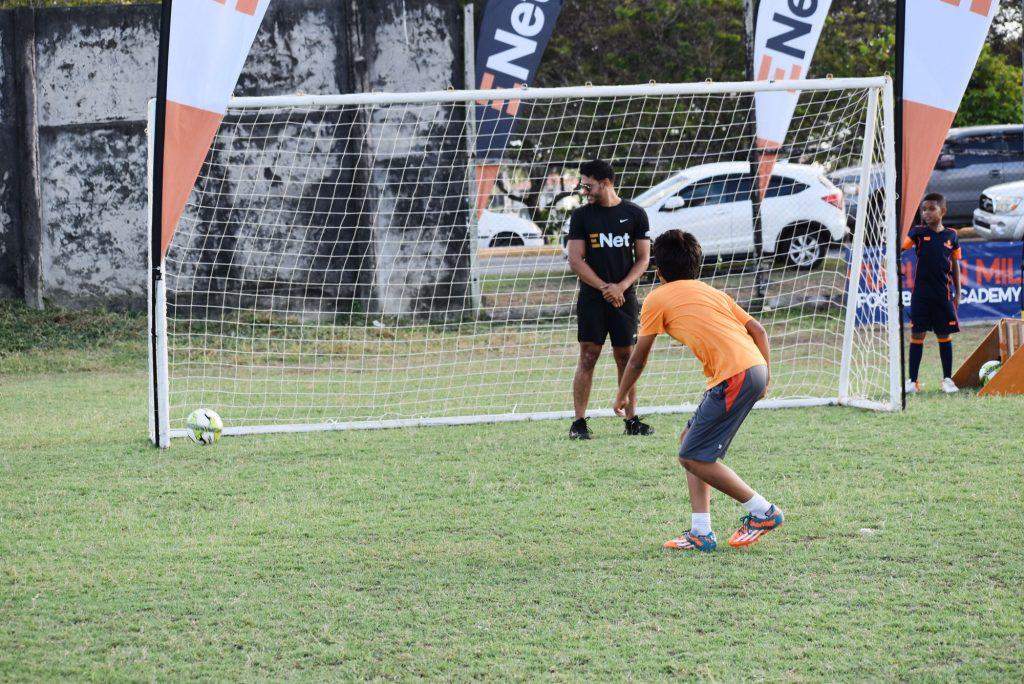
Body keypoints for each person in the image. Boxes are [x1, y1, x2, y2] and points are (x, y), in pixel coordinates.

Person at [613, 230, 783, 551]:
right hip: (751, 368)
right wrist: (766, 378)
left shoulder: (656, 298)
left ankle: (762, 511)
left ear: (658, 271)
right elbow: (757, 329)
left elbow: (637, 360)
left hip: (734, 375)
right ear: (697, 266)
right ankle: (701, 532)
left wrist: (622, 395)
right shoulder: (711, 291)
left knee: (692, 455)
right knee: (688, 443)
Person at [566, 159, 653, 439]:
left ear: (606, 183)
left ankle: (631, 419)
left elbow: (643, 259)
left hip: (624, 298)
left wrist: (622, 286)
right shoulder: (581, 216)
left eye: (588, 186)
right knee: (588, 356)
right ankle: (579, 422)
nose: (585, 191)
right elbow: (576, 260)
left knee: (626, 356)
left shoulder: (635, 214)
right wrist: (606, 287)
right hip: (594, 298)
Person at [902, 193, 961, 394]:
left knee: (943, 334)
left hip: (943, 295)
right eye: (923, 209)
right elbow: (901, 247)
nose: (926, 213)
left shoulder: (952, 235)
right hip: (921, 295)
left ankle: (947, 380)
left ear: (942, 211)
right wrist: (889, 257)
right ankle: (913, 381)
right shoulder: (917, 232)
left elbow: (955, 264)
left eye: (931, 209)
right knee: (917, 334)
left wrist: (958, 293)